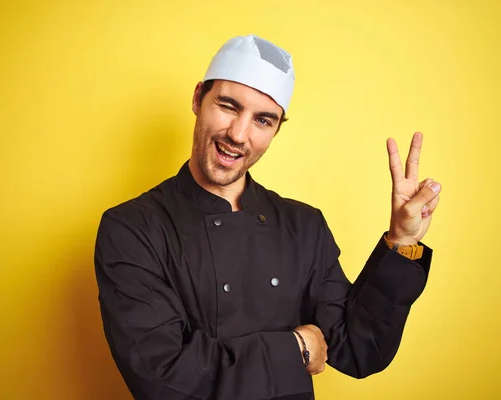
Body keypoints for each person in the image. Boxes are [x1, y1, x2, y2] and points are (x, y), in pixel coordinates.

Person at [94, 34, 441, 400]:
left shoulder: (303, 226)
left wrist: (402, 240)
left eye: (262, 120)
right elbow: (161, 377)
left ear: (276, 129)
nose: (238, 135)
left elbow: (360, 350)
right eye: (228, 106)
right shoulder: (133, 229)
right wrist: (295, 349)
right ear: (198, 98)